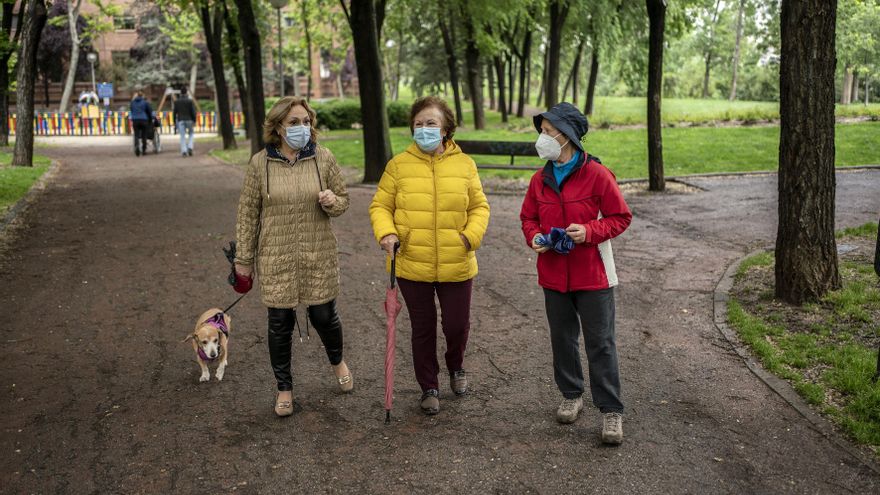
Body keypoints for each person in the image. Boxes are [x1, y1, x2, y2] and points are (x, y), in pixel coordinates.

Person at [519, 102, 632, 445]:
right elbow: (528, 218)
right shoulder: (539, 180)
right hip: (553, 275)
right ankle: (571, 395)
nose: (543, 139)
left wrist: (590, 231)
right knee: (562, 340)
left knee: (601, 343)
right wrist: (535, 237)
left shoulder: (598, 174)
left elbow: (620, 217)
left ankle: (611, 410)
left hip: (593, 276)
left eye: (549, 133)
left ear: (567, 137)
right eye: (541, 132)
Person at [369, 96, 490, 415]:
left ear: (446, 128)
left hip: (457, 260)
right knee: (422, 327)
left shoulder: (465, 165)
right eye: (418, 124)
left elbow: (479, 206)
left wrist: (469, 237)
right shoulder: (398, 165)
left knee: (456, 325)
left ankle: (456, 367)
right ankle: (429, 386)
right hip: (411, 262)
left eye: (431, 123)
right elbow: (381, 205)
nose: (424, 129)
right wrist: (387, 233)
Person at [234, 96, 353, 417]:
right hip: (276, 255)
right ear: (278, 127)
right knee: (280, 323)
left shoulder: (323, 158)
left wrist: (332, 201)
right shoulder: (260, 163)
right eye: (293, 122)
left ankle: (338, 361)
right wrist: (243, 259)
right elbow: (247, 213)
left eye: (306, 121)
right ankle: (284, 388)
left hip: (318, 252)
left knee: (324, 317)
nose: (301, 127)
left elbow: (343, 201)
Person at [173, 86, 197, 157]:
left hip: (180, 120)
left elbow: (175, 112)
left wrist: (174, 121)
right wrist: (194, 120)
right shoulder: (190, 101)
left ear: (180, 93)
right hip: (189, 119)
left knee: (182, 136)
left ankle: (184, 151)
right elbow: (193, 112)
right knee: (191, 133)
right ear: (186, 92)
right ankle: (190, 147)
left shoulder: (177, 101)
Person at [129, 91, 153, 157]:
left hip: (135, 120)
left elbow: (131, 109)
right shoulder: (145, 102)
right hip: (144, 119)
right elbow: (149, 111)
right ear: (142, 96)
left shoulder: (132, 102)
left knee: (136, 135)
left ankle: (137, 147)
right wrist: (150, 120)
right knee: (144, 135)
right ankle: (144, 149)